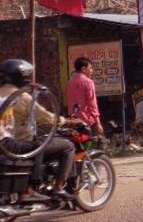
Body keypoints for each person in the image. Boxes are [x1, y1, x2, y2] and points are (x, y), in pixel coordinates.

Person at [0, 59, 83, 199]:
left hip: (6, 144)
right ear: (23, 77)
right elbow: (47, 118)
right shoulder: (22, 97)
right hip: (15, 144)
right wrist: (68, 121)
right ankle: (57, 187)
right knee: (67, 146)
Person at [67, 57, 103, 137]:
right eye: (90, 68)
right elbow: (92, 104)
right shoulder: (88, 82)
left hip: (73, 121)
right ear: (83, 69)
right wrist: (98, 122)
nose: (92, 71)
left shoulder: (70, 82)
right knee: (93, 146)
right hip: (87, 121)